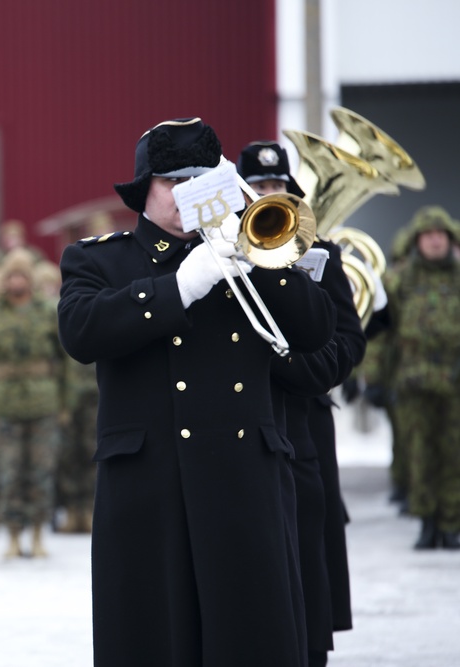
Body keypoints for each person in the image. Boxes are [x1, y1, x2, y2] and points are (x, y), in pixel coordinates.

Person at [58, 118, 336, 667]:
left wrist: (265, 261)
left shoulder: (249, 251)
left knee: (251, 636)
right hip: (150, 489)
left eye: (202, 179)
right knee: (155, 638)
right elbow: (81, 332)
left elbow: (315, 333)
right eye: (173, 181)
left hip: (244, 484)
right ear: (144, 190)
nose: (189, 193)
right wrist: (181, 285)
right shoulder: (99, 259)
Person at [240, 140, 368, 666]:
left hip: (305, 425)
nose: (270, 194)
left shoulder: (324, 253)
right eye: (260, 187)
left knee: (307, 552)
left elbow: (347, 339)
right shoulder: (223, 261)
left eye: (277, 187)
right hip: (248, 424)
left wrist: (300, 367)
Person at [0, 248, 69, 559]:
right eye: (11, 275)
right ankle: (13, 536)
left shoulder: (48, 311)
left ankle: (38, 534)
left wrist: (65, 403)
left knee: (41, 472)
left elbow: (65, 360)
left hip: (43, 403)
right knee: (9, 473)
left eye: (22, 275)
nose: (16, 281)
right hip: (4, 405)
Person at [376, 205, 460, 549]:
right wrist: (368, 376)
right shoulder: (398, 281)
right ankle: (427, 520)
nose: (435, 241)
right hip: (413, 382)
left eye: (441, 235)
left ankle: (451, 521)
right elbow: (382, 332)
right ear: (417, 241)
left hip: (455, 383)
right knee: (419, 454)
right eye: (428, 236)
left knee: (455, 454)